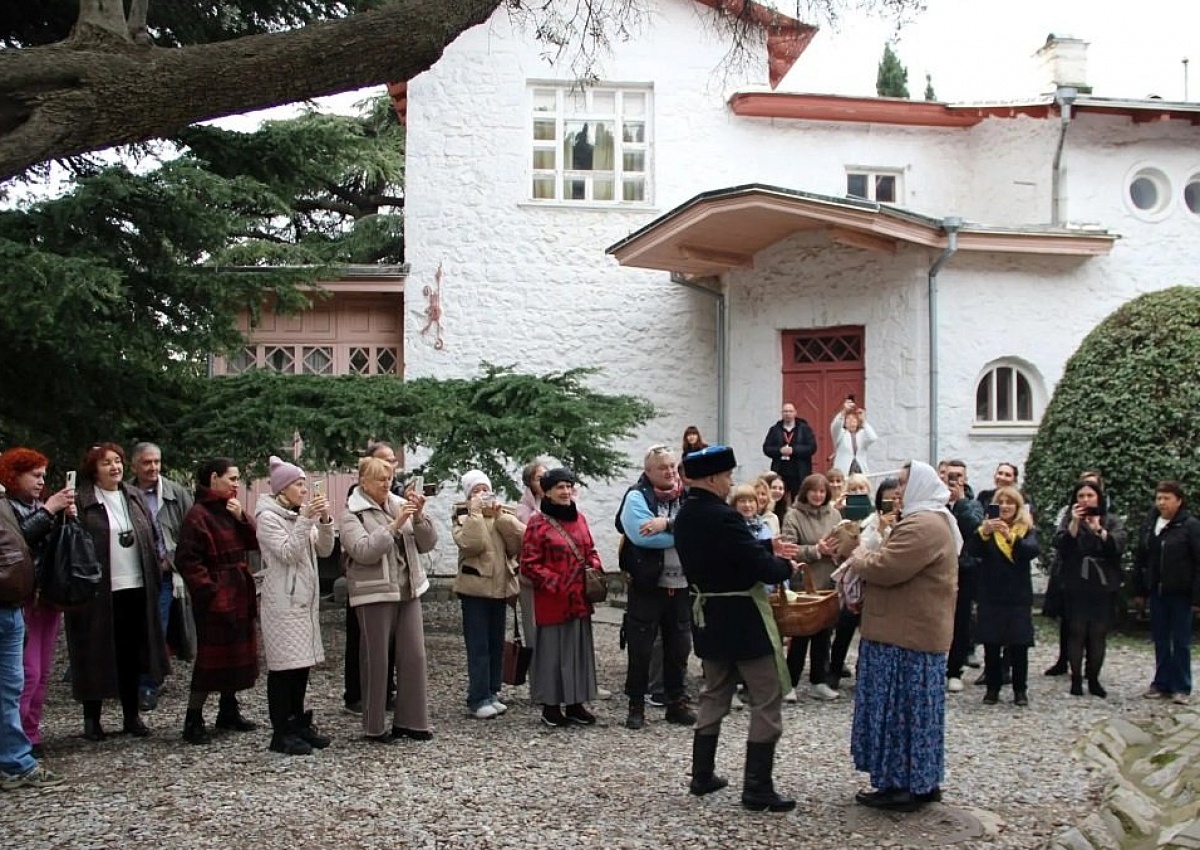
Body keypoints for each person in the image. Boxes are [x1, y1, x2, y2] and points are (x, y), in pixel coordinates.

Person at [673, 445, 800, 812]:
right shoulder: (724, 517)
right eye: (727, 476)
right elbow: (753, 563)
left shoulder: (687, 516)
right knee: (766, 697)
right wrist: (783, 567)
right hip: (743, 620)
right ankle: (757, 788)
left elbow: (724, 551)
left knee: (714, 693)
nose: (731, 483)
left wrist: (762, 544)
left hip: (709, 617)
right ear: (712, 478)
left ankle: (702, 775)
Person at [849, 460, 959, 813]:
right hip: (912, 632)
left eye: (904, 483)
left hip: (905, 636)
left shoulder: (923, 524)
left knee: (901, 712)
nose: (898, 489)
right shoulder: (930, 519)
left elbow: (887, 567)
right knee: (918, 715)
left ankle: (901, 786)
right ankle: (921, 780)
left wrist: (859, 556)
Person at [70, 443, 168, 741]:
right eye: (106, 463)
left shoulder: (134, 496)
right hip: (98, 590)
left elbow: (152, 533)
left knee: (131, 653)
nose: (114, 467)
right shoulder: (82, 500)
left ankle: (131, 715)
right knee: (94, 652)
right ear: (93, 470)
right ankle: (92, 718)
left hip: (136, 584)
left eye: (117, 461)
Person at [340, 456, 437, 742]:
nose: (387, 484)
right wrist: (396, 524)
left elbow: (427, 543)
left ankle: (412, 721)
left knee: (414, 657)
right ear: (363, 482)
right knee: (376, 660)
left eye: (389, 478)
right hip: (374, 592)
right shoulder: (351, 514)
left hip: (408, 590)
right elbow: (363, 551)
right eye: (381, 479)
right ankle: (374, 725)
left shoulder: (398, 504)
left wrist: (418, 516)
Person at [175, 457, 260, 744]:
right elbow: (187, 560)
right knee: (210, 658)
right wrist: (210, 591)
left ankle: (228, 709)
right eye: (232, 478)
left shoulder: (230, 509)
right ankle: (193, 717)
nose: (236, 484)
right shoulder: (197, 515)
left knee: (237, 653)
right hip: (216, 592)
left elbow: (255, 540)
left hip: (238, 588)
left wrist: (242, 517)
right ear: (214, 477)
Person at [254, 456, 335, 755]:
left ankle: (299, 722)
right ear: (282, 488)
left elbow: (324, 550)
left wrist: (324, 520)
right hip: (283, 603)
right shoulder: (268, 518)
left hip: (303, 602)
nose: (304, 490)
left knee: (301, 667)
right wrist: (305, 520)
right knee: (283, 669)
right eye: (298, 484)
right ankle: (281, 731)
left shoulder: (299, 515)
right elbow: (287, 553)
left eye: (304, 484)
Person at [0, 448, 75, 758]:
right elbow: (20, 540)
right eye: (35, 475)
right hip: (24, 596)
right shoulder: (7, 508)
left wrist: (63, 519)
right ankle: (15, 740)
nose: (41, 482)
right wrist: (49, 510)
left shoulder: (36, 505)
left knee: (42, 669)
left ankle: (31, 732)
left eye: (44, 476)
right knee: (26, 671)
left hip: (48, 594)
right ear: (14, 475)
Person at [617, 447, 694, 731]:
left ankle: (676, 702)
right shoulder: (636, 497)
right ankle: (636, 704)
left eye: (673, 465)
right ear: (648, 471)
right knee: (640, 648)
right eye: (662, 467)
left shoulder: (688, 495)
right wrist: (683, 535)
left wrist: (667, 524)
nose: (670, 471)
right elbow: (640, 536)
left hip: (682, 584)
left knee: (679, 648)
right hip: (648, 585)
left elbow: (701, 529)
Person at [520, 467, 603, 728]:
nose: (566, 491)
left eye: (569, 486)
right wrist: (557, 582)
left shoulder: (579, 518)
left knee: (578, 651)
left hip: (579, 598)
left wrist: (594, 567)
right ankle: (551, 707)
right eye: (560, 487)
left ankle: (576, 703)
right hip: (553, 600)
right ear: (547, 492)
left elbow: (591, 549)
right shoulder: (538, 523)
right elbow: (529, 564)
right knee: (553, 654)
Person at [0, 495, 65, 790]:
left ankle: (15, 760)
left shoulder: (3, 502)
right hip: (10, 602)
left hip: (13, 603)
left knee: (12, 686)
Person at [451, 470, 524, 720]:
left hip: (500, 587)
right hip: (474, 588)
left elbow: (519, 543)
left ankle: (493, 691)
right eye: (476, 490)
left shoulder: (500, 514)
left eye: (485, 489)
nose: (482, 494)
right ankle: (477, 696)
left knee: (496, 644)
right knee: (478, 645)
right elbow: (473, 544)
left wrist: (502, 516)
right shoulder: (462, 514)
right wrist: (475, 512)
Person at [129, 441, 194, 713]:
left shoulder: (176, 494)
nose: (153, 467)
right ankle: (130, 679)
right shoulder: (126, 494)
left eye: (157, 461)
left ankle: (148, 684)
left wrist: (177, 559)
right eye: (147, 462)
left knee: (158, 626)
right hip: (132, 572)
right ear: (134, 465)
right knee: (133, 628)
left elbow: (192, 531)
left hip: (166, 573)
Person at [966, 486, 1039, 706]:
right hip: (991, 595)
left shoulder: (1026, 529)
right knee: (991, 645)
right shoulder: (987, 531)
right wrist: (984, 533)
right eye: (1002, 502)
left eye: (1010, 502)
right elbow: (971, 550)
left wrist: (1011, 538)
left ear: (1017, 507)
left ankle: (1020, 689)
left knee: (1019, 646)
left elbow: (1030, 551)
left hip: (1017, 597)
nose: (1006, 506)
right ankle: (992, 688)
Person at [826, 474, 899, 692]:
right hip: (863, 581)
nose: (892, 504)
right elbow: (863, 548)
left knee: (872, 632)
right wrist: (879, 529)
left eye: (895, 499)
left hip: (886, 584)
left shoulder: (907, 521)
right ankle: (835, 670)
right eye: (887, 500)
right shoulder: (871, 520)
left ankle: (864, 672)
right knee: (846, 626)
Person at [1054, 479, 1126, 698]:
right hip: (1076, 580)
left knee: (1097, 632)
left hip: (1102, 582)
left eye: (1090, 496)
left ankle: (1093, 678)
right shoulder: (1070, 518)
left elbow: (1119, 545)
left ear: (1099, 498)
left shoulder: (1111, 519)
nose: (1085, 500)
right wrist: (1075, 524)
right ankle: (1075, 679)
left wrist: (1099, 531)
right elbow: (1061, 545)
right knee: (1076, 631)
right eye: (1081, 496)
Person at [343, 441, 399, 715]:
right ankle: (358, 696)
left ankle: (388, 690)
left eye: (393, 464)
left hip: (394, 582)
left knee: (392, 643)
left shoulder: (395, 498)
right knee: (363, 643)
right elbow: (363, 549)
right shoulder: (355, 505)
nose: (390, 470)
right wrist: (394, 527)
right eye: (384, 463)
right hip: (366, 584)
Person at [1132, 481, 1200, 705]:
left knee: (1180, 640)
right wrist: (1140, 590)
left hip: (1181, 592)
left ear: (1178, 500)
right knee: (1160, 638)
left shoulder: (1189, 526)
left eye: (1166, 498)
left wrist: (1196, 596)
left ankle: (1181, 685)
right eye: (1159, 498)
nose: (1161, 502)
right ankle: (1162, 682)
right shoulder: (1152, 524)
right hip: (1157, 591)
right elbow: (1142, 558)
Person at [780, 473, 842, 701]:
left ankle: (819, 680)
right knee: (801, 634)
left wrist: (840, 549)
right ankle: (790, 683)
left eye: (822, 491)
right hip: (805, 581)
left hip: (828, 580)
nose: (818, 495)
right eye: (814, 491)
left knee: (824, 633)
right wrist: (816, 550)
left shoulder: (834, 514)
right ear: (805, 492)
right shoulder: (793, 515)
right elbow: (789, 547)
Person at [941, 460, 983, 694]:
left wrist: (960, 503)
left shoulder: (973, 504)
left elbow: (975, 530)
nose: (952, 480)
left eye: (958, 476)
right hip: (937, 571)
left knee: (960, 621)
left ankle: (954, 670)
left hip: (963, 571)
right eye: (948, 475)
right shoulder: (934, 502)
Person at [762, 403, 816, 502]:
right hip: (780, 470)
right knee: (778, 499)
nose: (787, 414)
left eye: (790, 411)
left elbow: (812, 447)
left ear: (795, 413)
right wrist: (779, 451)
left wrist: (794, 450)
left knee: (799, 499)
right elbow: (766, 448)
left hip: (799, 472)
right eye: (785, 411)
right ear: (782, 414)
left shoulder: (804, 429)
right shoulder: (775, 429)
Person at [830, 398, 877, 477]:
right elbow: (835, 426)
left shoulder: (862, 434)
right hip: (844, 471)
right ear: (844, 422)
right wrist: (844, 412)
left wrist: (863, 421)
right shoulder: (840, 433)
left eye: (854, 418)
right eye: (848, 419)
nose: (851, 421)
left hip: (860, 470)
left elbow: (872, 438)